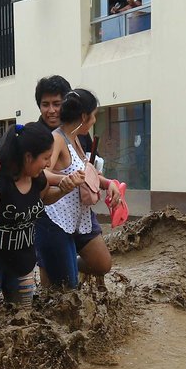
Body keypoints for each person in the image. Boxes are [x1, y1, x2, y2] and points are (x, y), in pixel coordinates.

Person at [0, 122, 82, 306]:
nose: (49, 164)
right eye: (45, 158)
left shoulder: (39, 180)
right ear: (28, 157)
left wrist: (63, 191)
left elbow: (43, 200)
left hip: (23, 262)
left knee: (23, 319)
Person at [44, 89, 121, 281]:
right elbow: (42, 172)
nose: (94, 121)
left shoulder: (77, 138)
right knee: (64, 287)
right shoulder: (57, 139)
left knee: (102, 264)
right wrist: (63, 180)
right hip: (57, 218)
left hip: (82, 216)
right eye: (94, 116)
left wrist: (108, 183)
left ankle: (66, 264)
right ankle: (57, 266)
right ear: (84, 116)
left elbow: (85, 173)